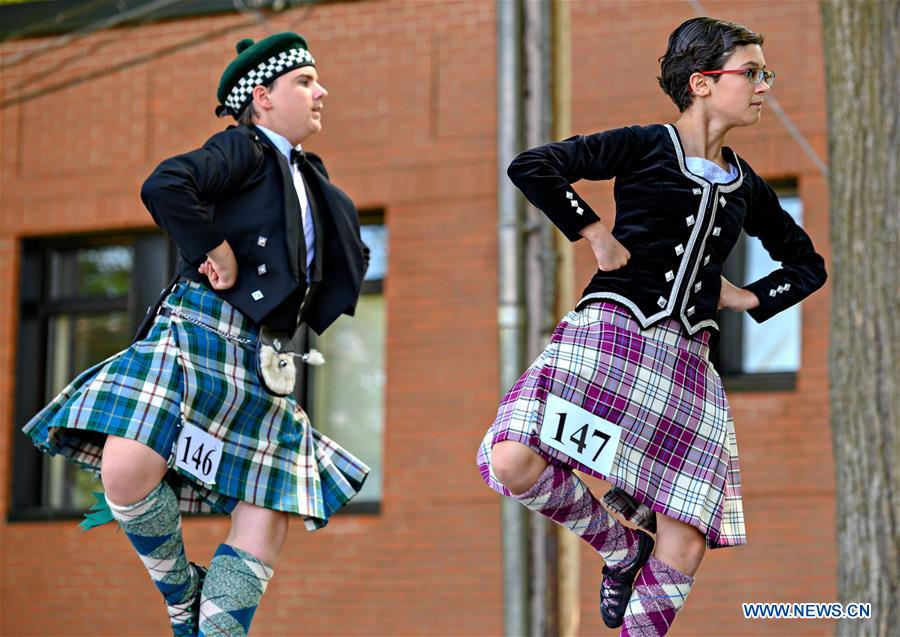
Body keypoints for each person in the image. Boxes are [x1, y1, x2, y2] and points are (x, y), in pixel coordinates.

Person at [477, 17, 827, 637]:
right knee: (512, 458)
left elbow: (807, 266)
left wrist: (748, 297)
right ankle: (618, 547)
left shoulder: (747, 185)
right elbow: (534, 165)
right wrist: (594, 234)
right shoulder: (643, 144)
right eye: (752, 72)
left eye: (764, 74)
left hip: (688, 361)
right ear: (701, 82)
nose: (763, 86)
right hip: (610, 335)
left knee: (687, 536)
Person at [23, 32, 370, 637]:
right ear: (261, 97)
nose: (322, 92)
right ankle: (184, 598)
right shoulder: (245, 149)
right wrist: (215, 249)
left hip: (264, 355)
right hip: (199, 330)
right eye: (305, 82)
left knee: (267, 508)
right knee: (127, 465)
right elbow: (165, 185)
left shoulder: (314, 179)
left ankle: (216, 631)